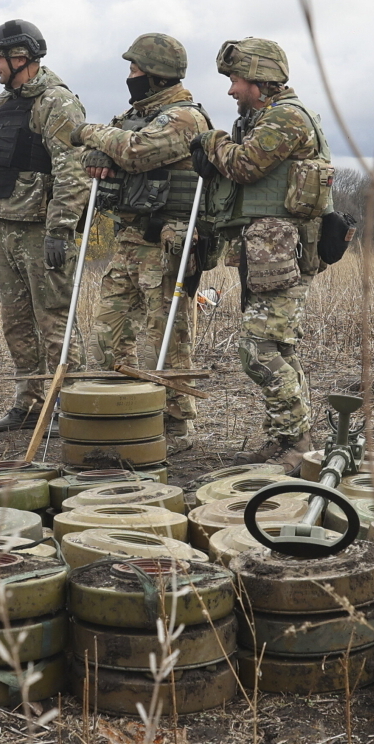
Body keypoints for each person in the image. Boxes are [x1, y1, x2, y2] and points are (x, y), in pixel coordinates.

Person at [189, 37, 338, 468]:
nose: (232, 89)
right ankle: (288, 438)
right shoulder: (262, 118)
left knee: (258, 350)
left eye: (236, 79)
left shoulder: (286, 118)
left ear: (260, 79)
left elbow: (243, 165)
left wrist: (210, 142)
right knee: (278, 347)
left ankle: (298, 442)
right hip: (265, 251)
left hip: (283, 252)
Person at [68, 33, 212, 450]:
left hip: (167, 243)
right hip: (130, 239)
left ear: (154, 75)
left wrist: (92, 136)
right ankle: (120, 408)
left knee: (167, 336)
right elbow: (100, 154)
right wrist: (96, 153)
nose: (129, 77)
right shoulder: (140, 114)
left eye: (135, 70)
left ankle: (176, 422)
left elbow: (133, 153)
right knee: (109, 332)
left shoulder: (184, 118)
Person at [0, 20, 89, 433]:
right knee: (15, 321)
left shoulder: (57, 103)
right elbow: (5, 156)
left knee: (54, 321)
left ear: (21, 57)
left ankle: (73, 404)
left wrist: (60, 229)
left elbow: (73, 171)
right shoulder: (6, 104)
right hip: (4, 226)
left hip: (39, 229)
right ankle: (29, 403)